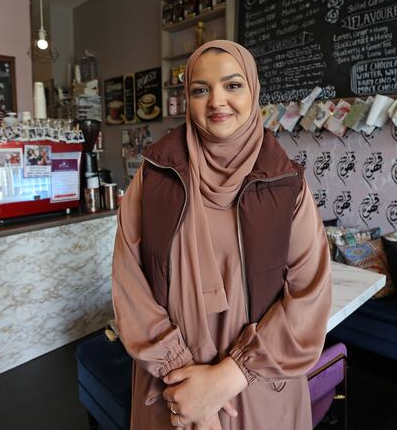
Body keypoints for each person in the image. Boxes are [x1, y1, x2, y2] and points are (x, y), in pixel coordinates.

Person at [112, 40, 332, 429]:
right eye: (200, 89)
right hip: (171, 391)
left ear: (254, 91)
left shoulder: (287, 185)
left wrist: (228, 378)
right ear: (187, 99)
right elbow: (130, 286)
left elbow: (308, 297)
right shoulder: (153, 177)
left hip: (260, 390)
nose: (217, 101)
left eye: (233, 85)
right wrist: (189, 388)